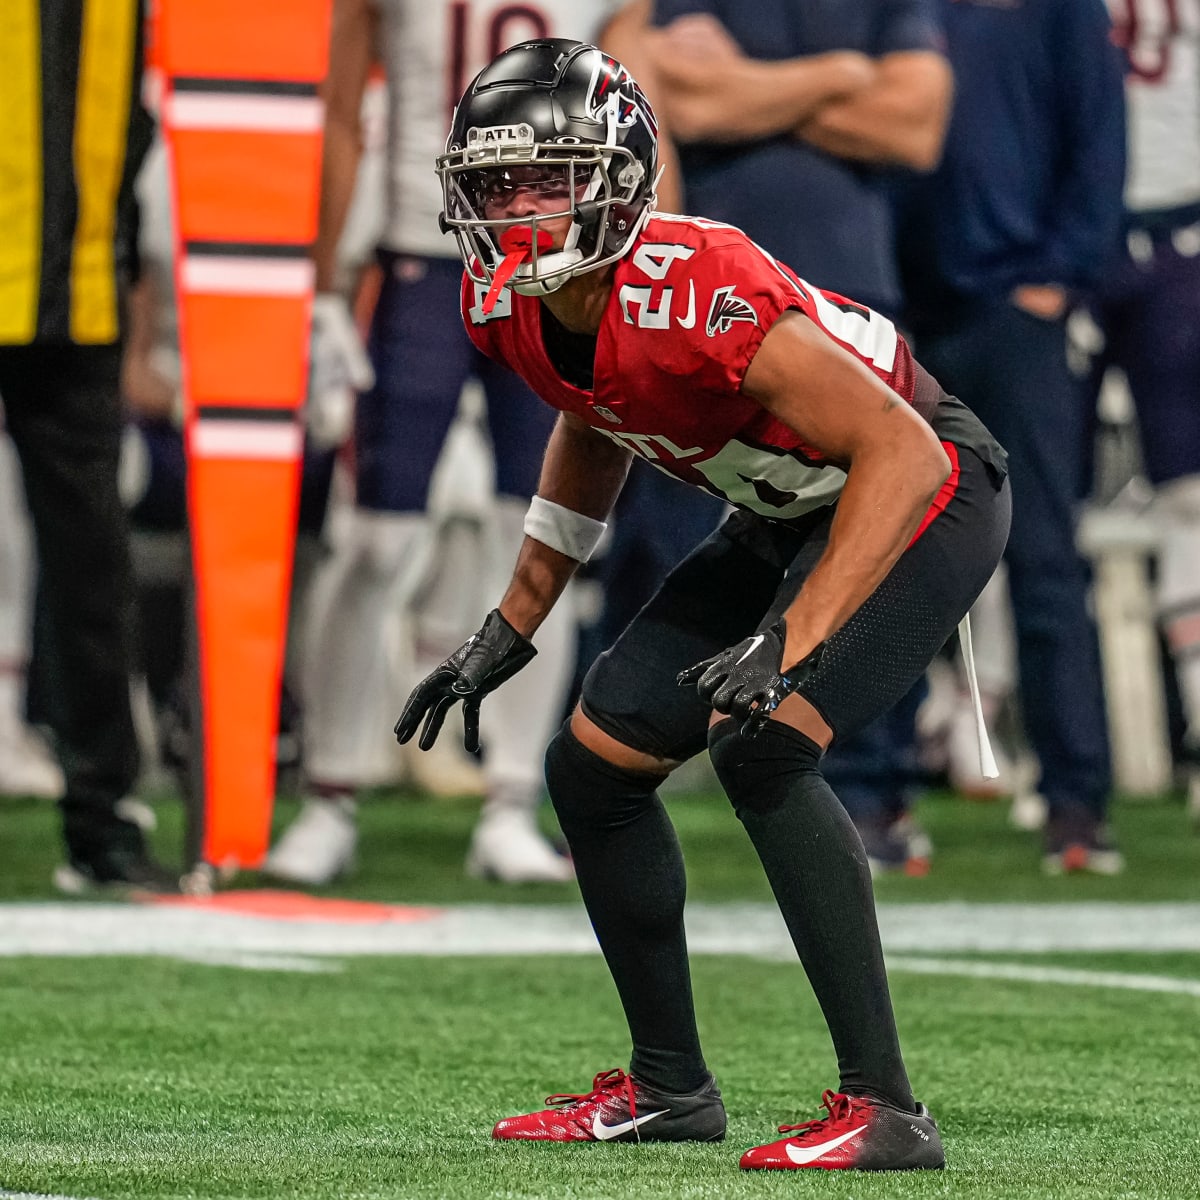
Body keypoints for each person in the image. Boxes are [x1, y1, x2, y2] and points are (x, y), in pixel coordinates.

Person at [397, 39, 1009, 1169]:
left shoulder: (698, 286)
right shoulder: (515, 308)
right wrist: (513, 623)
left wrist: (794, 633)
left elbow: (905, 452)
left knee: (763, 746)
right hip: (788, 509)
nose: (515, 208)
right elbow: (595, 411)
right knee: (593, 767)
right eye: (495, 183)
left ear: (622, 177)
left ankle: (887, 1108)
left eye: (548, 177)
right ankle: (670, 1087)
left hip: (924, 485)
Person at [264, 0, 653, 887]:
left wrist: (650, 269)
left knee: (550, 536)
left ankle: (511, 800)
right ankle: (330, 791)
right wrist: (326, 284)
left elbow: (640, 114)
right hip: (423, 250)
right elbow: (338, 111)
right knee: (375, 541)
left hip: (563, 259)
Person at [645, 0, 953, 872]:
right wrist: (840, 75)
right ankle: (655, 761)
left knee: (874, 544)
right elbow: (679, 104)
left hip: (849, 307)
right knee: (695, 549)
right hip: (709, 315)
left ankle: (865, 783)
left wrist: (743, 89)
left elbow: (915, 127)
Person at [894, 0, 1127, 874]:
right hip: (909, 312)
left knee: (1045, 561)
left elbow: (1100, 141)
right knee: (889, 550)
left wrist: (1060, 275)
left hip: (1018, 310)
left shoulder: (1063, 9)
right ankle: (878, 797)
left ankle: (1077, 802)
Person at [0, 0, 177, 892]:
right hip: (66, 289)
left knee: (93, 574)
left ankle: (101, 820)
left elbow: (137, 139)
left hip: (81, 305)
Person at [1087, 0, 1200, 821]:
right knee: (995, 484)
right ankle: (984, 713)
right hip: (1073, 233)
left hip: (1171, 232)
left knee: (1190, 498)